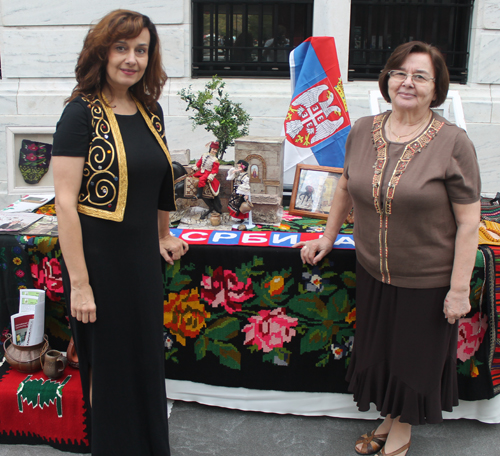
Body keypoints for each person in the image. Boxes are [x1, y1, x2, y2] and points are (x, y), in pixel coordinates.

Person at [294, 41, 480, 456]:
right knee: (383, 353)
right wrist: (327, 236)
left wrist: (459, 289)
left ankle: (402, 430)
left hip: (428, 277)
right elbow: (344, 185)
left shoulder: (454, 143)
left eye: (420, 76)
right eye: (399, 73)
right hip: (373, 269)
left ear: (437, 88)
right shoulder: (362, 129)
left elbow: (469, 223)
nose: (407, 83)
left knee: (414, 361)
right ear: (387, 79)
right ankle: (390, 416)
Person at [51, 10, 189, 455]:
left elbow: (158, 185)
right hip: (100, 271)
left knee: (144, 369)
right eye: (122, 47)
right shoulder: (79, 114)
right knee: (109, 380)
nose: (132, 59)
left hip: (142, 269)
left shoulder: (151, 111)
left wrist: (163, 235)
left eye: (141, 50)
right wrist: (81, 286)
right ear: (103, 51)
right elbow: (66, 204)